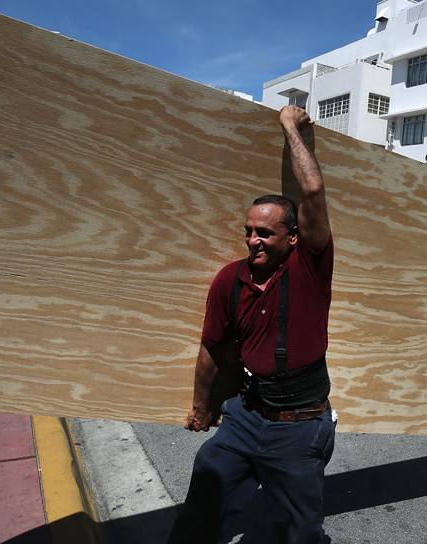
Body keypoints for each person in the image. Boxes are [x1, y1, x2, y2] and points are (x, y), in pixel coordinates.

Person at [167, 105, 335, 544]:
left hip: (299, 425)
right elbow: (212, 348)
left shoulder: (309, 267)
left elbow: (313, 193)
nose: (252, 240)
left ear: (292, 238)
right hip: (246, 416)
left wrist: (289, 129)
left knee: (299, 532)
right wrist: (203, 406)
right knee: (202, 498)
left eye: (265, 233)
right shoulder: (230, 278)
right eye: (248, 231)